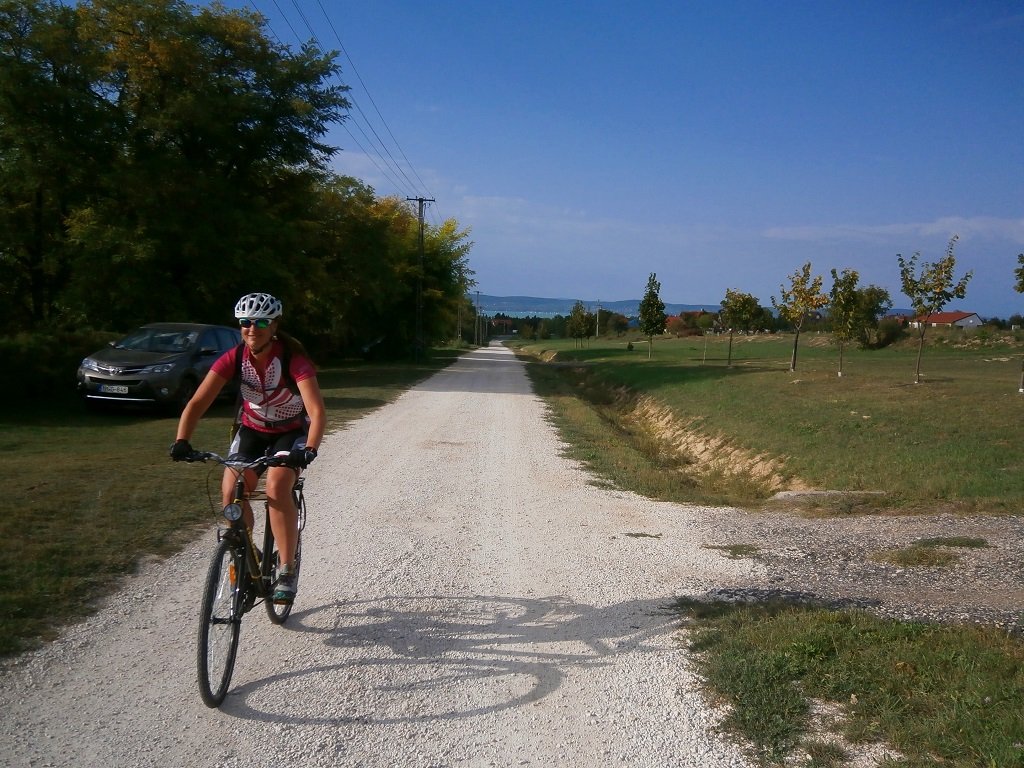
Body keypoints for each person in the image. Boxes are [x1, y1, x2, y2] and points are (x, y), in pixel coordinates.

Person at [170, 292, 325, 604]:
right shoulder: (233, 358)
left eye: (261, 322)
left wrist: (309, 448)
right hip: (252, 431)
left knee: (277, 488)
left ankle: (286, 569)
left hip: (289, 432)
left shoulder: (293, 360)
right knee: (231, 491)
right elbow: (198, 401)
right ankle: (247, 553)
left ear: (274, 325)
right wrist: (181, 440)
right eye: (245, 322)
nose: (252, 328)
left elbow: (317, 411)